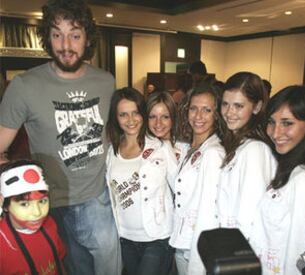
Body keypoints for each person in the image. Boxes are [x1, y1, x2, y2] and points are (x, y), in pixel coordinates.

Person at [0, 0, 121, 274]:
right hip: (51, 205)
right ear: (47, 37)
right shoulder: (23, 86)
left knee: (111, 268)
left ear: (88, 38)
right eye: (57, 34)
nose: (66, 45)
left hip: (96, 197)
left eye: (75, 35)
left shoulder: (106, 81)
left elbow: (116, 133)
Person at [249, 85, 305, 275]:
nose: (276, 132)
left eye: (287, 123)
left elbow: (299, 256)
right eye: (271, 122)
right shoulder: (290, 167)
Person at [105, 87, 176, 275]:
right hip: (125, 237)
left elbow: (180, 187)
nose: (131, 120)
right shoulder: (111, 151)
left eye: (136, 113)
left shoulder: (161, 146)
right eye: (123, 114)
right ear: (116, 118)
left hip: (157, 237)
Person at [169, 83, 226, 275]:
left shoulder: (214, 153)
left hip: (197, 245)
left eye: (206, 110)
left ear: (216, 114)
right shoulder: (187, 146)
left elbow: (210, 211)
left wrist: (198, 254)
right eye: (193, 109)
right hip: (182, 239)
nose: (198, 116)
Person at [217, 71, 277, 240]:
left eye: (238, 106)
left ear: (257, 107)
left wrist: (235, 257)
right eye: (225, 104)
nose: (229, 113)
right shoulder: (239, 143)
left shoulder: (255, 150)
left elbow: (249, 216)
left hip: (239, 247)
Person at [0, 160, 66, 275]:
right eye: (24, 204)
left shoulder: (49, 224)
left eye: (42, 201)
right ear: (4, 204)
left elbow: (58, 261)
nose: (37, 213)